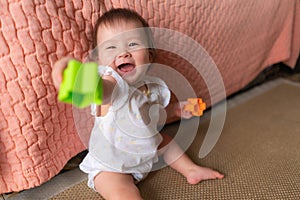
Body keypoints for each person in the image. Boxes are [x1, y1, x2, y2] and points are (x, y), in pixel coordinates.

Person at [52, 8, 224, 200]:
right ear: (99, 61)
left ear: (150, 56)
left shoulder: (152, 86)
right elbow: (100, 90)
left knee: (166, 141)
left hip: (146, 151)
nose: (123, 53)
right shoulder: (111, 83)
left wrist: (177, 109)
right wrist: (77, 79)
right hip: (112, 166)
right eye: (111, 47)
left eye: (133, 44)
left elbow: (157, 111)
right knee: (124, 193)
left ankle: (191, 169)